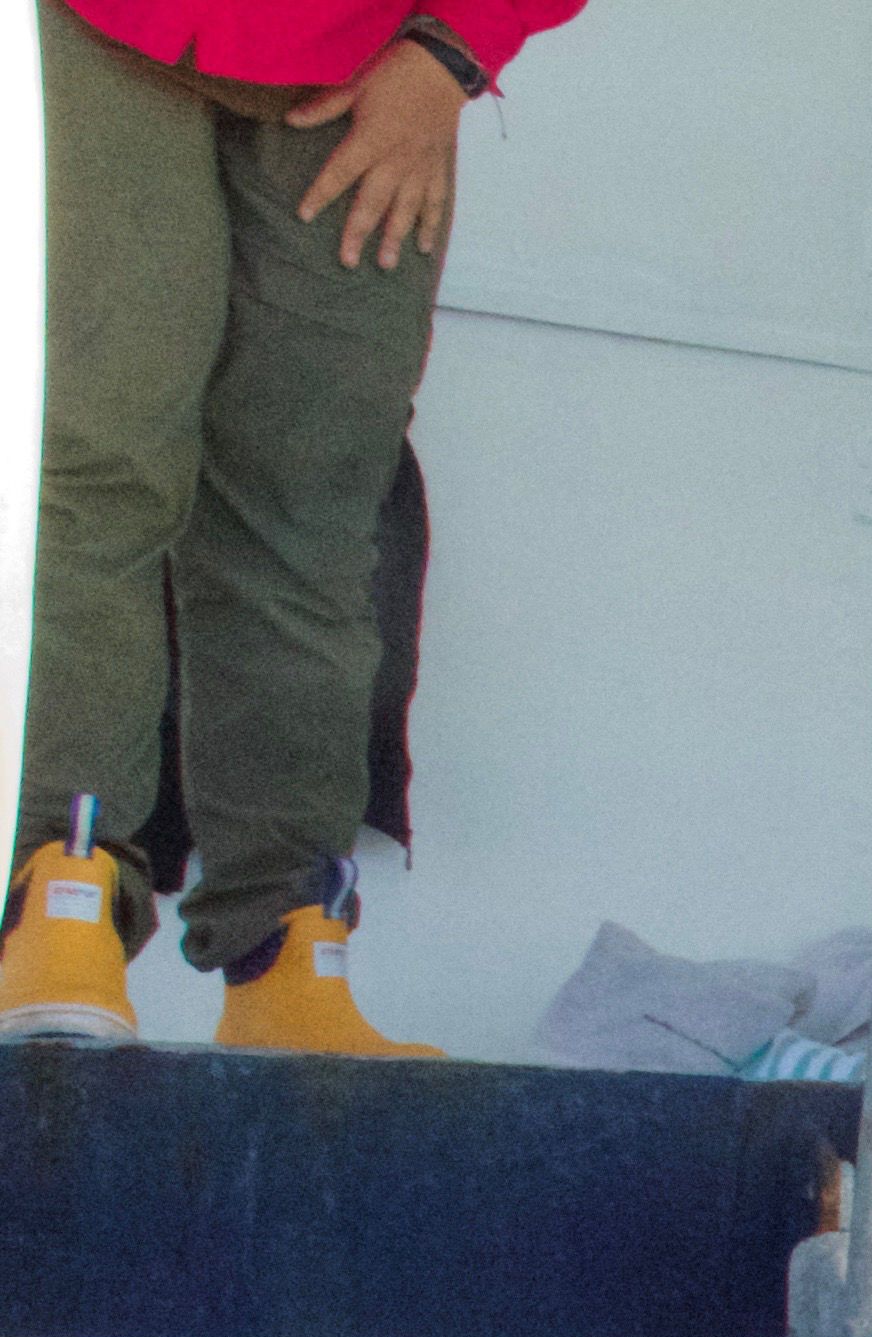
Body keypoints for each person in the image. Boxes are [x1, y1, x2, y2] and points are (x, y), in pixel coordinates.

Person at [0, 0, 582, 1054]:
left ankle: (287, 946)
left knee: (310, 505)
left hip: (382, 50)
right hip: (93, 25)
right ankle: (57, 885)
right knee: (95, 458)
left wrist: (452, 51)